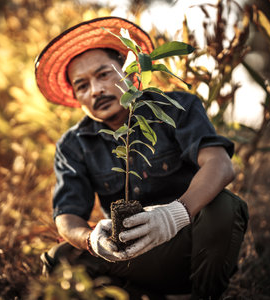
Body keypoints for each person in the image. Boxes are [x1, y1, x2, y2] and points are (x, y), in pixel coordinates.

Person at [35, 16, 249, 299]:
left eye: (103, 74)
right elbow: (67, 215)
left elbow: (220, 165)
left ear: (131, 72)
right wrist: (91, 240)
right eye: (82, 86)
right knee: (58, 259)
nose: (96, 90)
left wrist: (174, 215)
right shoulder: (73, 144)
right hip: (128, 255)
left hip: (187, 246)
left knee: (224, 206)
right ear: (77, 97)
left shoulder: (174, 108)